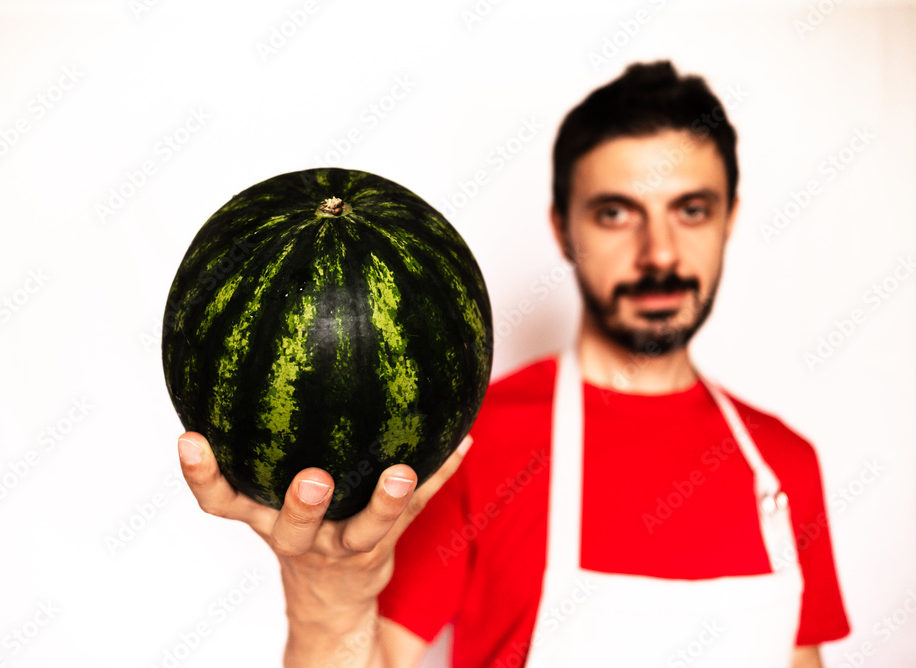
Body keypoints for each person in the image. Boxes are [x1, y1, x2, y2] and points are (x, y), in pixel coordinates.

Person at [175, 61, 850, 667]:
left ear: (730, 218)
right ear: (562, 227)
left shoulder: (784, 468)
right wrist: (327, 597)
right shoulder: (471, 443)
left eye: (691, 210)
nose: (660, 253)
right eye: (616, 213)